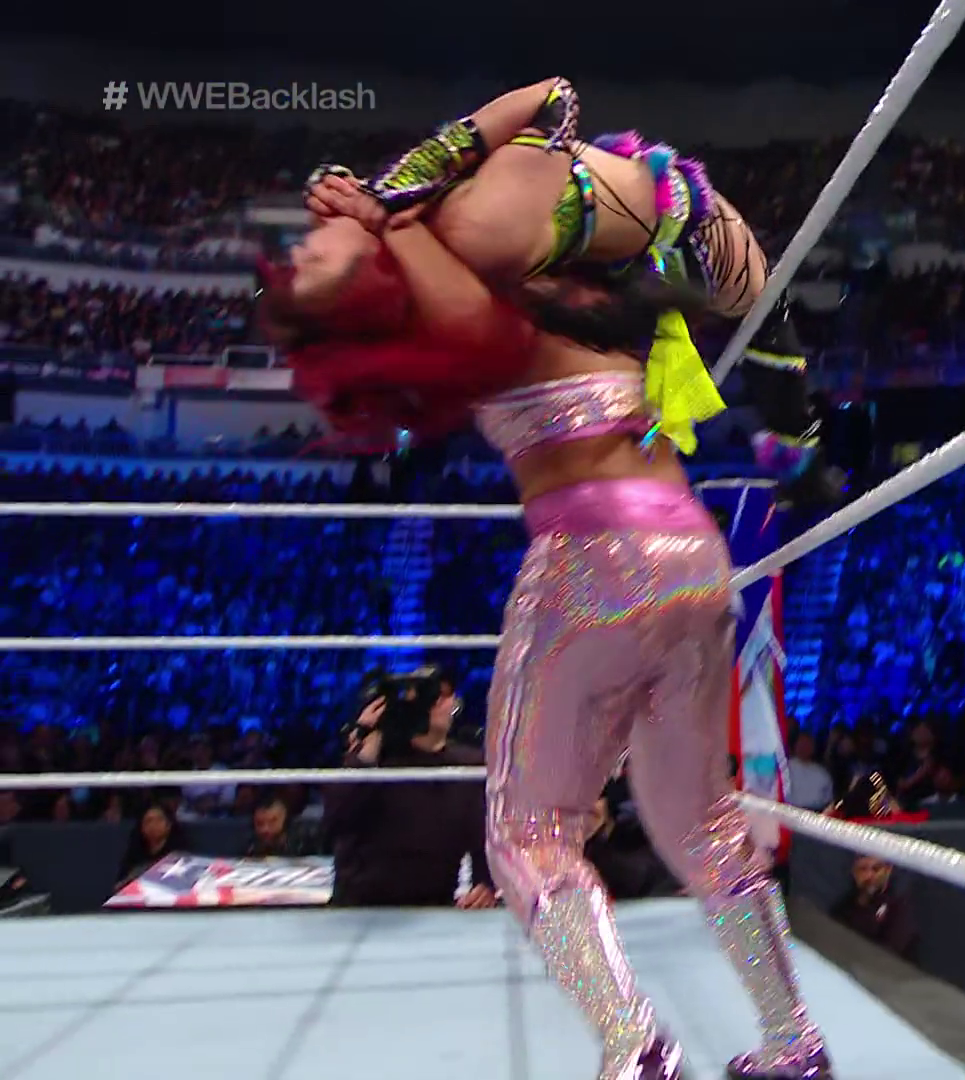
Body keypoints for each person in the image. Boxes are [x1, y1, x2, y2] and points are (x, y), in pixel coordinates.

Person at [272, 194, 830, 1080]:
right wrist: (382, 203)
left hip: (594, 558)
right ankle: (794, 1040)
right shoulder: (605, 326)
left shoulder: (484, 301)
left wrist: (381, 207)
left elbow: (428, 213)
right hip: (695, 555)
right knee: (702, 823)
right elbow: (543, 138)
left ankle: (634, 1040)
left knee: (525, 832)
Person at [283, 76, 825, 487]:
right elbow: (554, 97)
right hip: (688, 234)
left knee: (763, 335)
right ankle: (804, 463)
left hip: (625, 249)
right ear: (369, 273)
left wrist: (372, 189)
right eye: (314, 259)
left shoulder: (420, 238)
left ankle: (796, 453)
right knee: (767, 321)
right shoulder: (475, 230)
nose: (300, 247)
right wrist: (408, 178)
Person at [325, 676, 497, 909]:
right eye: (432, 698)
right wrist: (369, 742)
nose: (442, 703)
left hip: (435, 908)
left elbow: (486, 834)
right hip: (362, 907)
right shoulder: (376, 761)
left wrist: (485, 882)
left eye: (444, 696)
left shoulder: (468, 766)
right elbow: (335, 820)